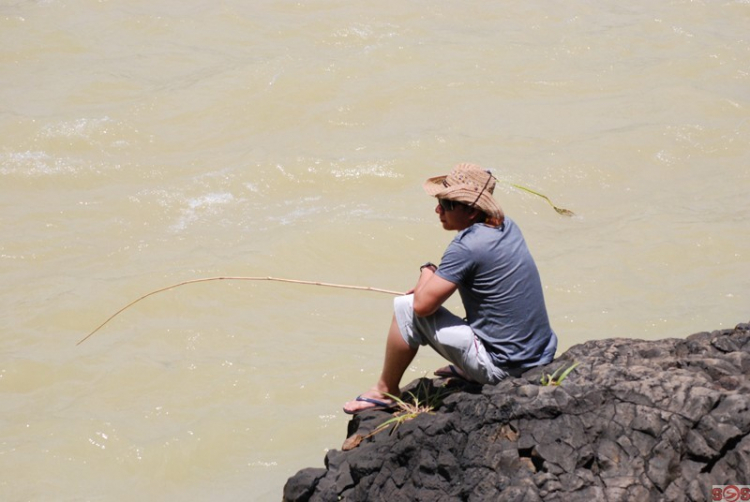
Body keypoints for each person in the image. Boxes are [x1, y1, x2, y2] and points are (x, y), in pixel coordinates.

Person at [343, 162, 558, 414]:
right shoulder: (506, 226)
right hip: (538, 356)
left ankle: (385, 390)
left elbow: (422, 307)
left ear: (471, 212)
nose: (438, 209)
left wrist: (427, 271)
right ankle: (471, 365)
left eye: (447, 204)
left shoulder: (467, 246)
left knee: (405, 308)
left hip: (504, 369)